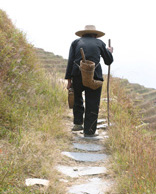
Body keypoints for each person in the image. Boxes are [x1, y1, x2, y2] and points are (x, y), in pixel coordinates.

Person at [65, 25, 113, 137]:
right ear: (95, 35)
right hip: (94, 76)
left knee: (77, 98)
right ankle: (89, 131)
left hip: (77, 74)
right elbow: (108, 61)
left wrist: (69, 81)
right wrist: (109, 51)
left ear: (83, 34)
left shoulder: (75, 42)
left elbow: (70, 62)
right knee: (93, 102)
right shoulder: (99, 43)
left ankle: (77, 123)